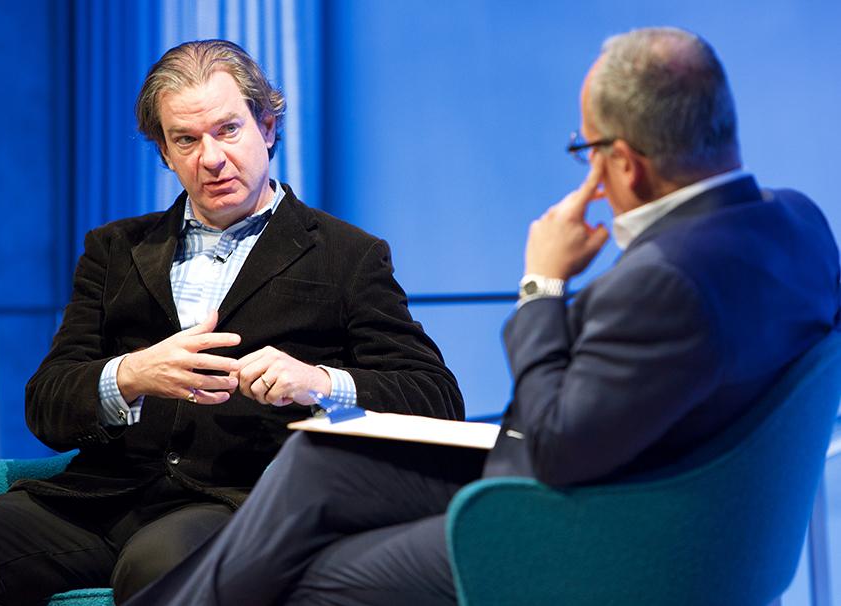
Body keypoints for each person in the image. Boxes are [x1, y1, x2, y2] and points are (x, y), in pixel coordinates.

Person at [125, 26, 841, 606]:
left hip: (586, 527)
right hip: (663, 491)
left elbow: (555, 448)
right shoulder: (800, 225)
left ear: (624, 164)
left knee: (306, 574)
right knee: (323, 459)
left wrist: (541, 285)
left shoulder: (660, 281)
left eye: (586, 150)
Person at [0, 40, 463, 605]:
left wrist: (319, 382)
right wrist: (130, 375)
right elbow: (47, 403)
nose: (210, 158)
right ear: (164, 152)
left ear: (266, 126)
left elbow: (435, 398)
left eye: (228, 130)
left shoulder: (346, 255)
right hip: (104, 498)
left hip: (237, 505)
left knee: (161, 561)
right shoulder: (115, 249)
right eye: (186, 140)